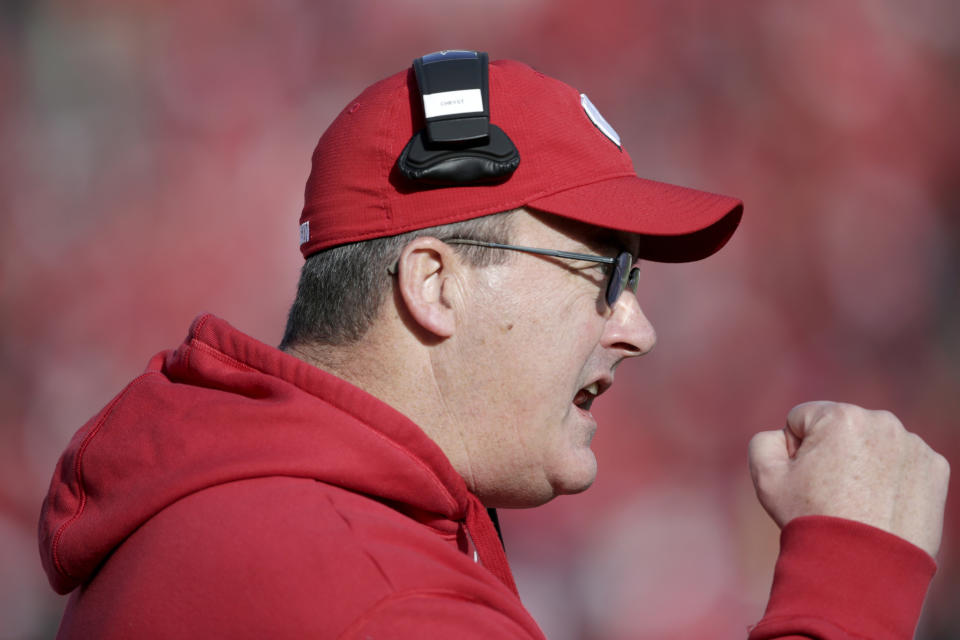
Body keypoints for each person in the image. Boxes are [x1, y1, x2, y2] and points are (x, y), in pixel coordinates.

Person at [38, 51, 948, 639]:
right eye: (608, 274)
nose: (637, 327)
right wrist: (851, 576)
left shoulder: (265, 511)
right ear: (436, 284)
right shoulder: (369, 588)